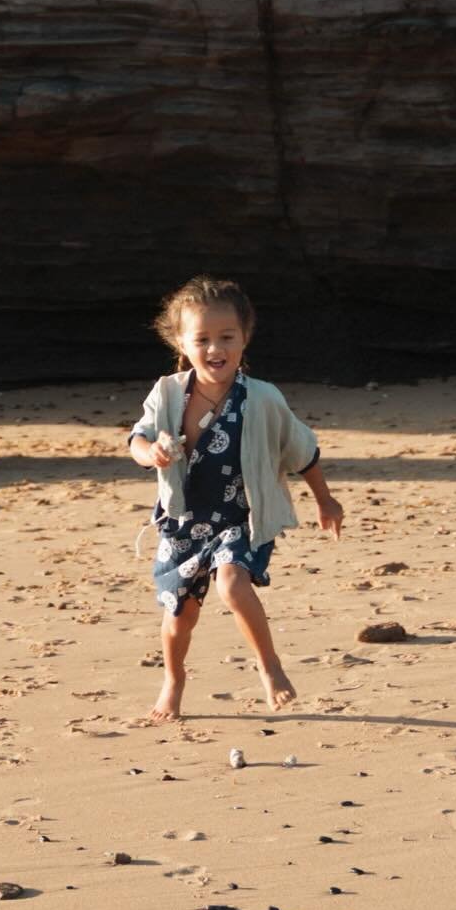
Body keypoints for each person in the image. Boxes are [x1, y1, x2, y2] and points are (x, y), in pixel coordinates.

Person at [128, 275, 342, 722]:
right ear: (181, 344)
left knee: (231, 583)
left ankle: (270, 667)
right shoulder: (167, 392)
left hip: (243, 516)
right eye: (201, 339)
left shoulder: (263, 399)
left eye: (226, 337)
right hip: (184, 519)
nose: (214, 348)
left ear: (245, 338)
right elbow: (138, 439)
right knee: (179, 616)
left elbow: (301, 450)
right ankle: (174, 678)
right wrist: (154, 455)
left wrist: (325, 501)